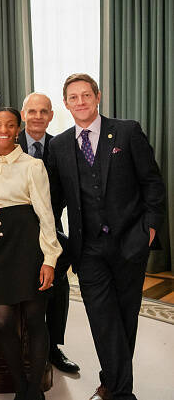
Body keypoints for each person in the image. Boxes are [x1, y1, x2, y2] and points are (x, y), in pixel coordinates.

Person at [46, 74, 165, 400]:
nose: (80, 101)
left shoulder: (127, 132)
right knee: (102, 319)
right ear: (66, 103)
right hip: (87, 249)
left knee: (125, 318)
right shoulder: (59, 146)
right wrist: (49, 239)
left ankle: (110, 384)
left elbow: (152, 183)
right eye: (73, 97)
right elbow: (53, 200)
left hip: (131, 241)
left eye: (86, 95)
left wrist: (149, 230)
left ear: (97, 97)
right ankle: (122, 394)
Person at [0, 107, 62, 400]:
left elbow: (46, 215)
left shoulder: (32, 165)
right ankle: (20, 385)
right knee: (2, 321)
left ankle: (33, 391)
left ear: (18, 129)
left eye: (10, 125)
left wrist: (49, 259)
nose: (3, 130)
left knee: (36, 319)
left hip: (28, 246)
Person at [19, 93, 79, 374]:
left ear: (51, 116)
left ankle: (53, 346)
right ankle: (24, 342)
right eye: (32, 111)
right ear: (23, 114)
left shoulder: (62, 146)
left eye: (44, 111)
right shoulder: (8, 142)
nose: (37, 117)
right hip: (16, 229)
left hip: (51, 226)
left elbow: (70, 188)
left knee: (58, 285)